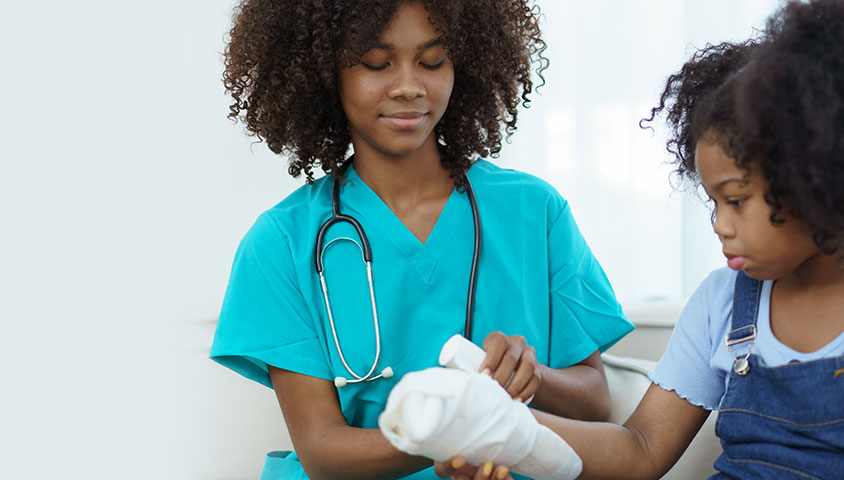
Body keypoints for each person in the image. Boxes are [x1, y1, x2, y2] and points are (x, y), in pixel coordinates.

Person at [210, 1, 634, 479]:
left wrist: (533, 378)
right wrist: (455, 429)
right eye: (376, 63)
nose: (409, 86)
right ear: (325, 72)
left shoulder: (533, 211)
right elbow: (323, 450)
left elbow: (596, 403)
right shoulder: (281, 242)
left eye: (432, 62)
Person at [435, 0, 844, 478]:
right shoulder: (723, 304)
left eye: (736, 200)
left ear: (817, 177)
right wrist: (508, 433)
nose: (719, 225)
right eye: (713, 203)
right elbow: (641, 449)